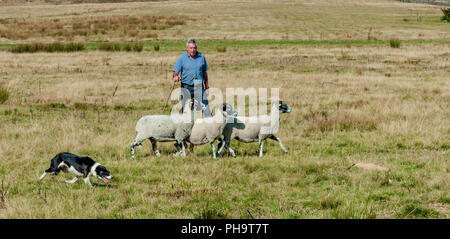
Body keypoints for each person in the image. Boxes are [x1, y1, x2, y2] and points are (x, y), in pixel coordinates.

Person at [173, 38, 212, 117]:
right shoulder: (182, 58)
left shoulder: (201, 57)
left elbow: (205, 73)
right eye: (191, 48)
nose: (193, 50)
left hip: (199, 85)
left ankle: (210, 125)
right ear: (187, 48)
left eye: (194, 48)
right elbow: (175, 71)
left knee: (205, 108)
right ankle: (186, 128)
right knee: (186, 110)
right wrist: (176, 76)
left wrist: (206, 87)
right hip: (186, 86)